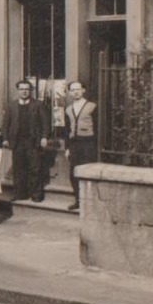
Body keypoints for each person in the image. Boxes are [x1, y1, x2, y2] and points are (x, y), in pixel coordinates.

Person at [2, 80, 52, 204]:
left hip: (33, 141)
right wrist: (5, 139)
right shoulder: (11, 105)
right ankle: (20, 193)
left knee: (34, 167)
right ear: (18, 90)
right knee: (19, 168)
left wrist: (44, 137)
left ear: (30, 91)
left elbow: (46, 123)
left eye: (27, 89)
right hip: (17, 142)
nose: (24, 91)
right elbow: (5, 124)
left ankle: (36, 194)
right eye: (21, 89)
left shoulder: (38, 104)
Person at [61, 80, 97, 212]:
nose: (76, 92)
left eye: (78, 89)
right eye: (72, 90)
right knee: (73, 173)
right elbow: (66, 130)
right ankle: (78, 200)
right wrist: (67, 148)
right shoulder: (68, 109)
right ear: (69, 93)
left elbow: (99, 127)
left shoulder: (92, 106)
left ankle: (90, 202)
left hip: (88, 143)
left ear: (83, 90)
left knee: (88, 171)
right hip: (74, 144)